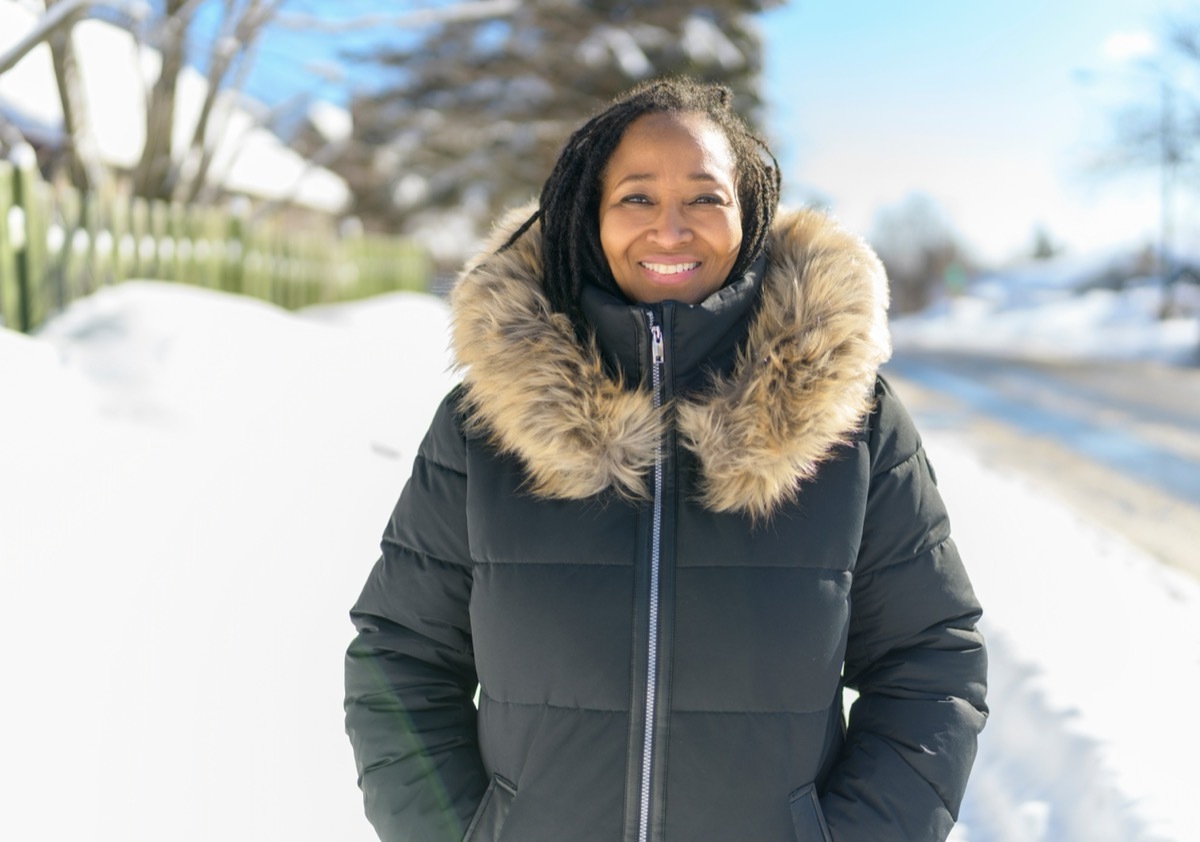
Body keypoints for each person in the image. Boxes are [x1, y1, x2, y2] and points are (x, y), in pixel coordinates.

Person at [344, 77, 988, 842]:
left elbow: (931, 663)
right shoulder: (487, 423)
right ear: (590, 215)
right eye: (637, 198)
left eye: (705, 198)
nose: (670, 229)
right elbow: (399, 660)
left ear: (748, 214)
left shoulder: (852, 422)